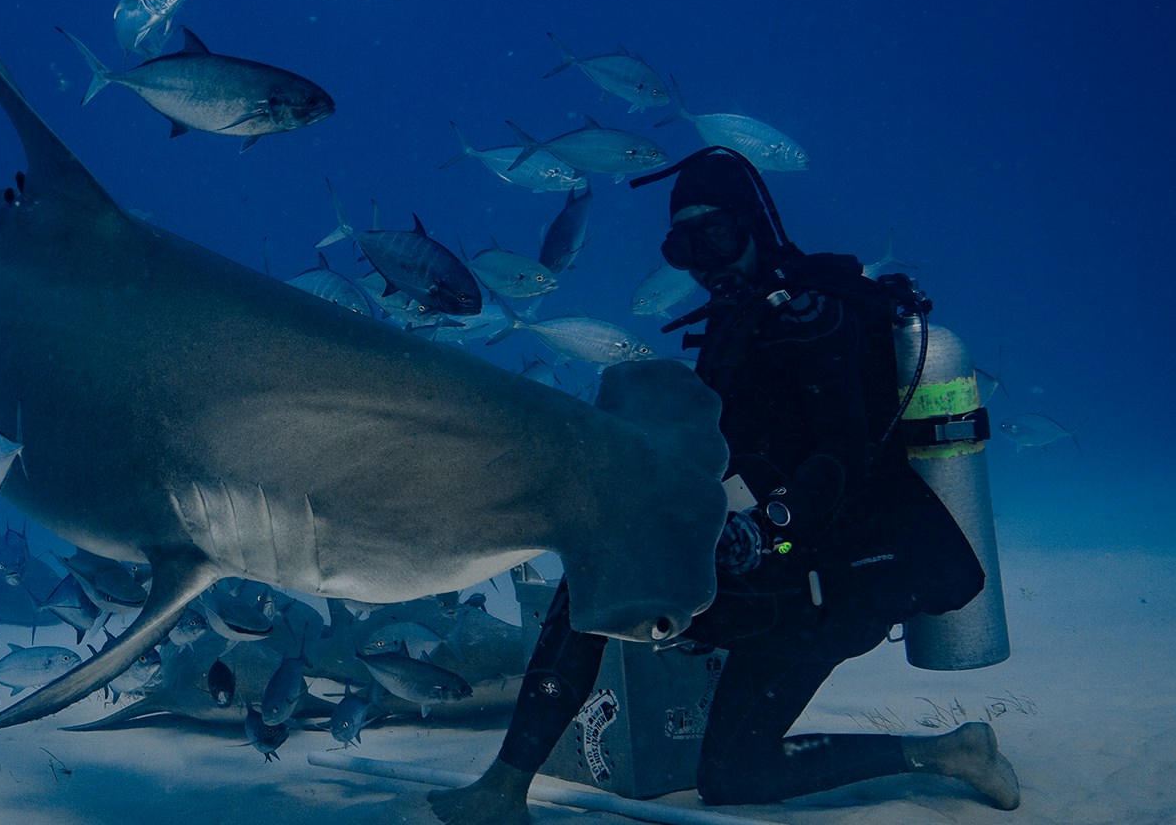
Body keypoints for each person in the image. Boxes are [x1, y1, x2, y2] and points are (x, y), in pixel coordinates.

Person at [429, 147, 1020, 824]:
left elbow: (844, 458)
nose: (707, 262)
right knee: (731, 766)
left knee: (609, 589)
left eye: (719, 237)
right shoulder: (738, 323)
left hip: (843, 579)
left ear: (755, 228)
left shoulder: (816, 318)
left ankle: (502, 792)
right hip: (784, 571)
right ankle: (949, 750)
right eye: (685, 248)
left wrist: (768, 524)